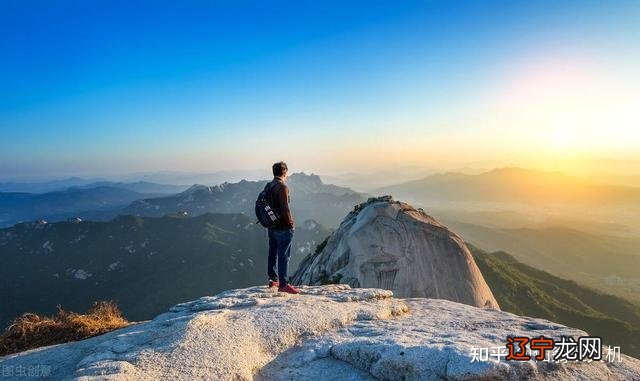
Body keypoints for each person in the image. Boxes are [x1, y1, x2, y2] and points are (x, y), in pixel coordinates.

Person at [266, 161, 300, 294]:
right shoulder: (282, 187)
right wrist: (291, 224)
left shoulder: (269, 185)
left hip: (271, 226)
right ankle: (283, 284)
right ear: (285, 172)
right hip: (283, 227)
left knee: (272, 253)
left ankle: (273, 279)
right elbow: (285, 209)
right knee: (284, 255)